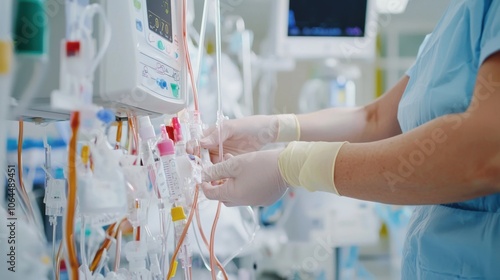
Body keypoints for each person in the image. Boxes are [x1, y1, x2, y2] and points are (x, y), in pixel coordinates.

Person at [200, 1, 500, 279]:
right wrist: (275, 127)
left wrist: (290, 165)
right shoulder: (457, 20)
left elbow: (485, 152)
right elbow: (375, 119)